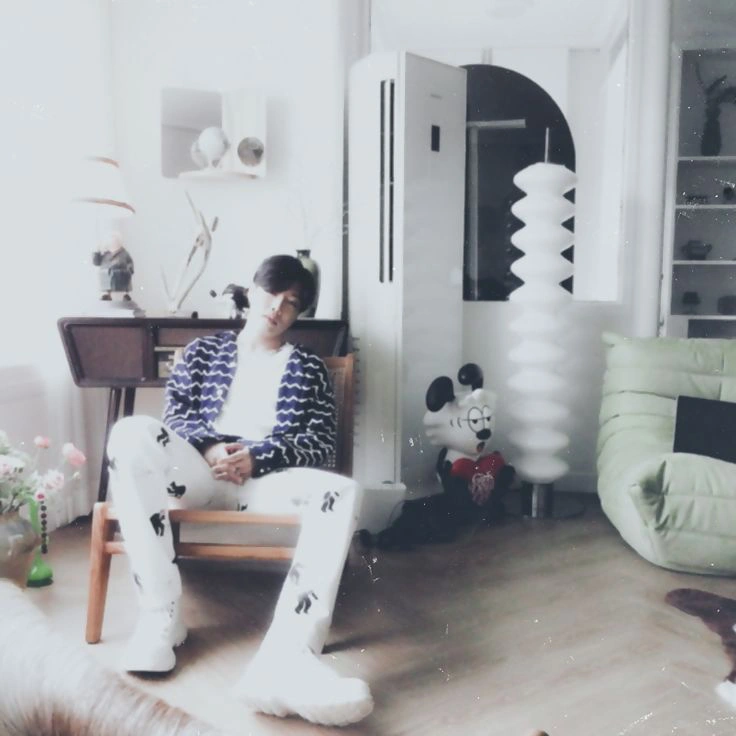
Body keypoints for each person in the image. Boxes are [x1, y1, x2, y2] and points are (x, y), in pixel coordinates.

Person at [106, 254, 372, 727]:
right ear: (252, 291)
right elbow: (176, 417)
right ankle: (160, 616)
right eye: (272, 293)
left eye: (291, 303)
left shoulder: (307, 368)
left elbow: (320, 443)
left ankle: (288, 658)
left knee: (343, 492)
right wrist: (210, 447)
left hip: (266, 480)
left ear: (298, 313)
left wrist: (258, 456)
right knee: (129, 434)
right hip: (198, 474)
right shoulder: (202, 352)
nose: (277, 308)